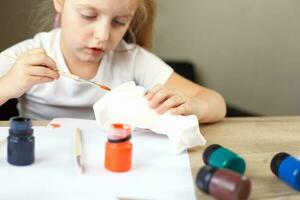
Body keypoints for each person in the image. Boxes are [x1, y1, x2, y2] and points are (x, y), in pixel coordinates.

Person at [0, 0, 226, 123]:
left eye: (119, 22)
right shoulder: (29, 54)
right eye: (89, 15)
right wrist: (9, 84)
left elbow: (216, 103)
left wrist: (193, 105)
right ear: (59, 2)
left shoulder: (132, 59)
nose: (103, 36)